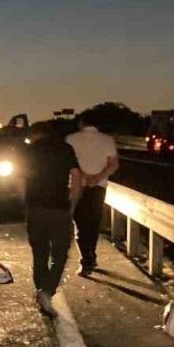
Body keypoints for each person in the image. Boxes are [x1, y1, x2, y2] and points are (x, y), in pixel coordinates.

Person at [19, 122, 84, 316]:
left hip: (36, 208)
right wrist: (72, 205)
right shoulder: (65, 149)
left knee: (39, 253)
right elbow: (77, 178)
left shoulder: (29, 150)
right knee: (60, 254)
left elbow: (20, 180)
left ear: (36, 134)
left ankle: (42, 290)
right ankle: (47, 291)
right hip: (59, 209)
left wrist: (25, 204)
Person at [65, 114, 119, 276]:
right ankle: (91, 256)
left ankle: (86, 259)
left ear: (81, 124)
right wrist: (97, 178)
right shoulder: (107, 140)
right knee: (93, 223)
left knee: (79, 223)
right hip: (98, 187)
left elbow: (67, 163)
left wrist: (83, 176)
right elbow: (113, 165)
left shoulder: (71, 139)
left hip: (76, 186)